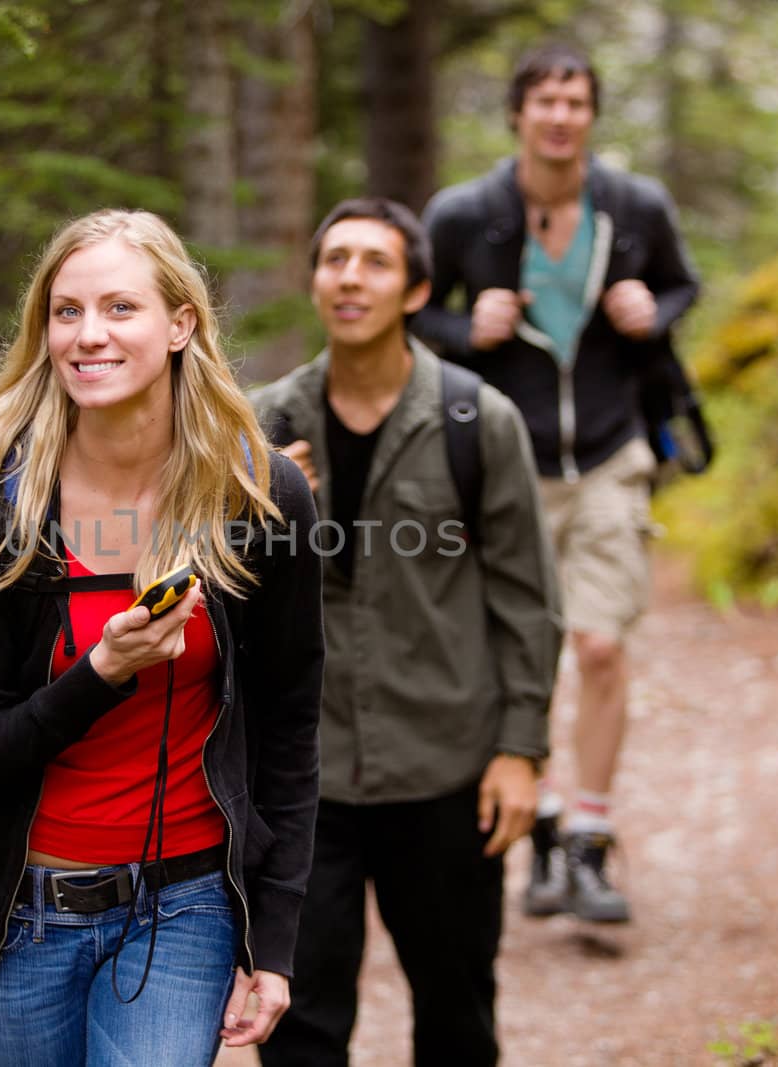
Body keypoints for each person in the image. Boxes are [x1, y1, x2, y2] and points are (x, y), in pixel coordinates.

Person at [0, 208, 324, 1066]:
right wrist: (101, 671)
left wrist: (271, 946)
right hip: (22, 916)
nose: (89, 335)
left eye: (120, 309)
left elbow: (288, 728)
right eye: (67, 312)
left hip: (186, 904)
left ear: (180, 324)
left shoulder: (257, 496)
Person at [253, 197, 562, 1067]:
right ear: (315, 280)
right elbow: (216, 598)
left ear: (418, 289)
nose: (350, 277)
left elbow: (527, 600)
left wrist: (519, 750)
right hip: (301, 782)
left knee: (456, 1009)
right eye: (334, 258)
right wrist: (265, 511)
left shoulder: (477, 419)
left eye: (375, 262)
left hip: (446, 768)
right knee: (298, 1022)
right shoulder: (258, 427)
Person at [415, 42, 702, 924]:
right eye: (544, 99)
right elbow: (412, 310)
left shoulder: (635, 205)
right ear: (517, 113)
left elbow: (684, 286)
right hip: (501, 464)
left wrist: (654, 314)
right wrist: (467, 330)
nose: (560, 115)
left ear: (591, 115)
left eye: (575, 100)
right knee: (509, 651)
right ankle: (535, 822)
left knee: (602, 644)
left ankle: (588, 836)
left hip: (613, 454)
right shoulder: (465, 214)